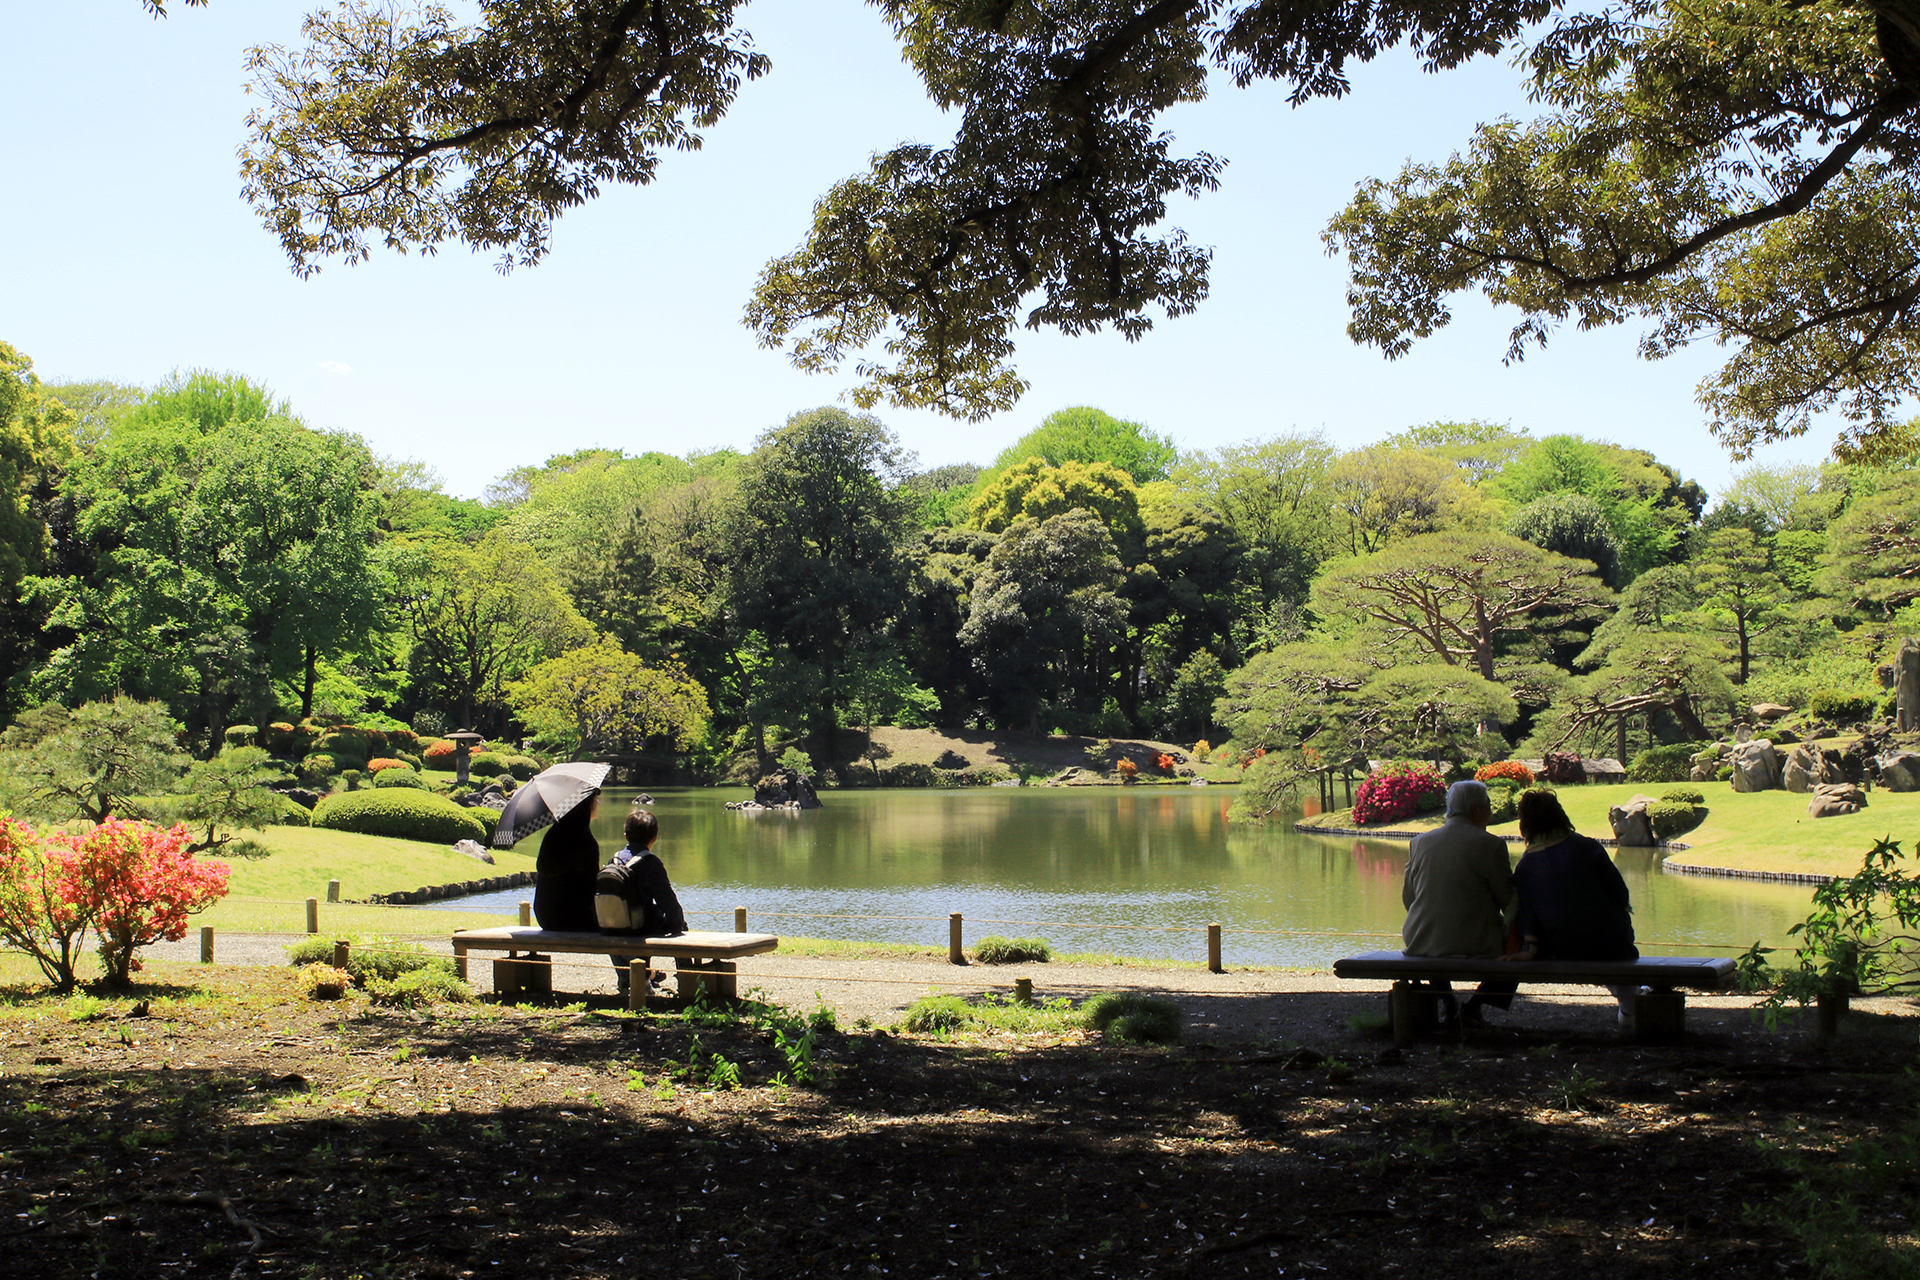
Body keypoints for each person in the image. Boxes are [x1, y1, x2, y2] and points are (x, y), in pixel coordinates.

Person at [1504, 788, 1639, 1022]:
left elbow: (1529, 917)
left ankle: (1629, 1007)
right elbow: (1620, 893)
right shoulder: (1586, 847)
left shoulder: (1525, 867)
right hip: (1612, 943)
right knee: (1609, 928)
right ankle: (1629, 1007)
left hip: (1564, 948)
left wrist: (1530, 949)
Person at [1402, 779, 1518, 1027]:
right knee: (1518, 945)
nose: (1491, 809)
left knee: (1436, 928)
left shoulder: (1418, 842)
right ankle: (1474, 1007)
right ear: (1476, 809)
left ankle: (1447, 1003)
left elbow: (1408, 900)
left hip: (1419, 939)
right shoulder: (1491, 845)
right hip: (1474, 942)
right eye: (1488, 804)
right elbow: (1508, 902)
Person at [599, 807, 687, 992]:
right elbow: (668, 901)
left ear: (625, 836)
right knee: (674, 925)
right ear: (654, 838)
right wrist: (678, 925)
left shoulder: (613, 860)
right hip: (640, 926)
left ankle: (626, 980)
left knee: (623, 928)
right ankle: (686, 981)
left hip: (612, 924)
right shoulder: (651, 863)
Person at [532, 789, 601, 932]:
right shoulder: (585, 841)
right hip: (574, 918)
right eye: (595, 799)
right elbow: (591, 887)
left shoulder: (553, 834)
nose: (599, 803)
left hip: (545, 916)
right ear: (585, 805)